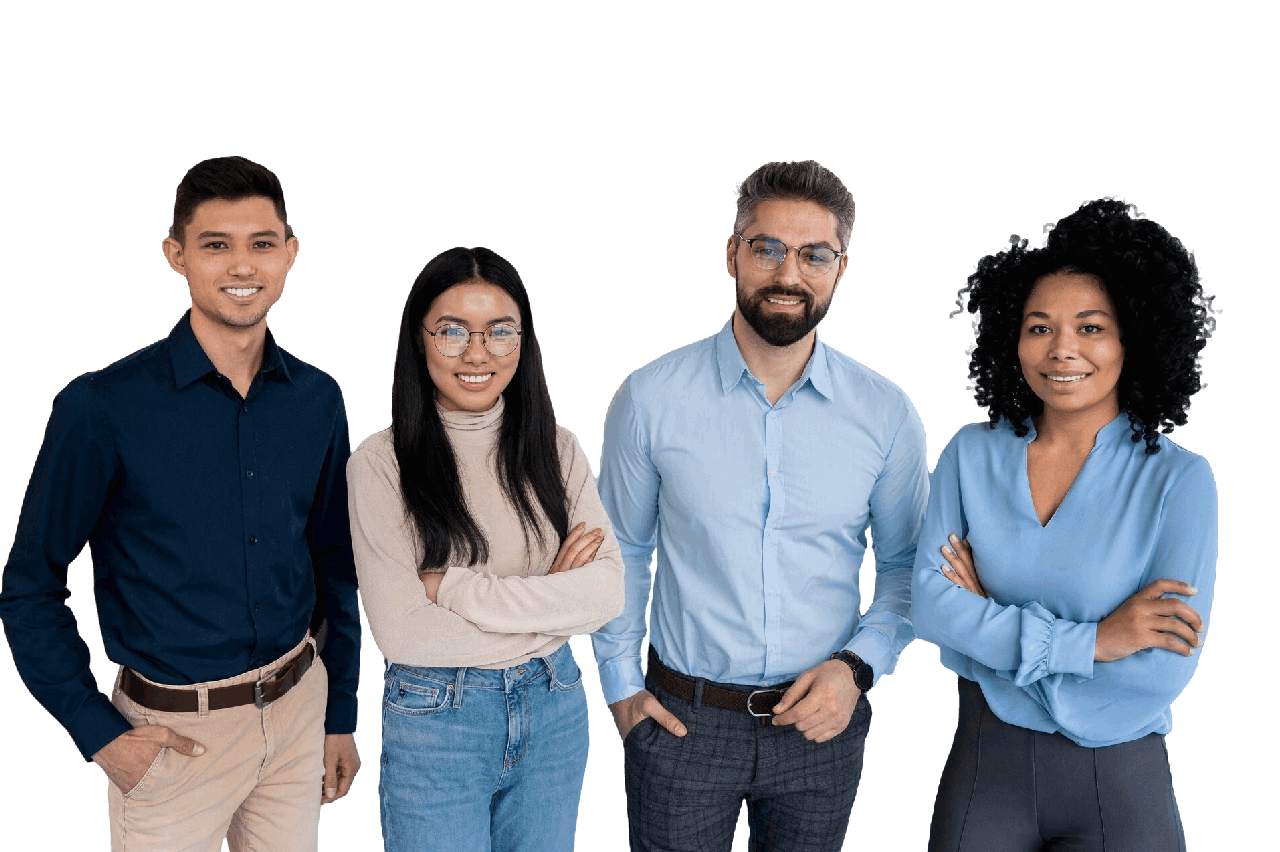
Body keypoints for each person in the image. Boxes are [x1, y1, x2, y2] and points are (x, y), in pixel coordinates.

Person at [0, 156, 362, 850]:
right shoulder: (100, 407)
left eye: (261, 243)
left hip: (296, 714)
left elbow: (337, 563)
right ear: (177, 255)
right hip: (171, 740)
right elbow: (29, 587)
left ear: (290, 253)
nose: (242, 265)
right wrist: (101, 736)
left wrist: (338, 709)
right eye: (215, 244)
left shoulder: (320, 398)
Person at [591, 160, 930, 851]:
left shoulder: (886, 412)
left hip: (823, 723)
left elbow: (905, 567)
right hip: (681, 721)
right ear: (731, 254)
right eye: (767, 247)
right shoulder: (648, 398)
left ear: (841, 267)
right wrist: (622, 691)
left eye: (814, 254)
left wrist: (858, 669)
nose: (788, 274)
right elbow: (620, 551)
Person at [911, 197, 1218, 851]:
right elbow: (931, 609)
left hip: (1120, 784)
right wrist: (1095, 641)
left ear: (1135, 334)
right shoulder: (969, 452)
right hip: (984, 771)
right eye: (1039, 327)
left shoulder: (1180, 481)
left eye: (1091, 327)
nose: (1062, 350)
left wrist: (988, 625)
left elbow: (1163, 670)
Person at [347, 246, 625, 851]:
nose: (478, 354)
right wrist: (552, 605)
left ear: (522, 341)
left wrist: (450, 586)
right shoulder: (379, 463)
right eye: (452, 332)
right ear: (420, 340)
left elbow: (606, 594)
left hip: (554, 707)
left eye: (500, 332)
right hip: (438, 719)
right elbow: (402, 635)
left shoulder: (560, 450)